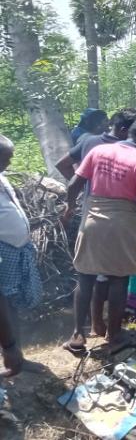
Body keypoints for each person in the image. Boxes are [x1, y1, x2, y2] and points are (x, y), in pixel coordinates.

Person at [62, 116, 136, 354]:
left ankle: (78, 335)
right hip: (123, 219)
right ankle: (115, 335)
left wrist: (69, 208)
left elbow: (74, 184)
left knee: (85, 276)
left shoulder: (99, 151)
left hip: (93, 216)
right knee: (119, 278)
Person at [0, 135, 41, 376]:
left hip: (14, 249)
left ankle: (17, 356)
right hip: (4, 249)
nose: (12, 160)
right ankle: (11, 354)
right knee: (3, 303)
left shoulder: (2, 177)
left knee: (11, 304)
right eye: (8, 156)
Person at [56, 108, 136, 181]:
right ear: (97, 124)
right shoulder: (84, 138)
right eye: (105, 121)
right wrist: (80, 186)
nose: (108, 124)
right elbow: (73, 163)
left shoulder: (91, 137)